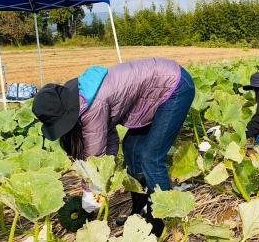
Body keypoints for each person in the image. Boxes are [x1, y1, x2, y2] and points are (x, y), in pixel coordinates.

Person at [32, 57, 195, 236]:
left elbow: (95, 160)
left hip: (175, 87)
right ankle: (139, 214)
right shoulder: (81, 98)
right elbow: (109, 142)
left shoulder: (92, 106)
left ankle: (159, 222)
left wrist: (90, 200)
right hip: (156, 92)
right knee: (131, 149)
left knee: (151, 157)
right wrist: (98, 187)